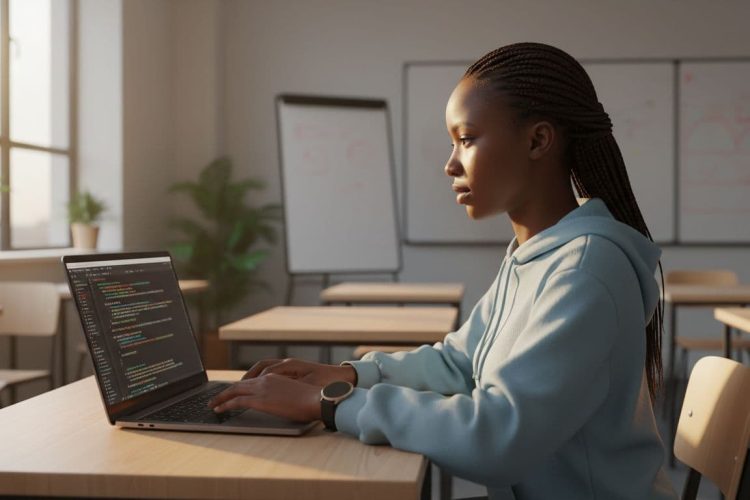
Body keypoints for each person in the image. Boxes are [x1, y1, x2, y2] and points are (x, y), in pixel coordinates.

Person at [208, 42, 676, 500]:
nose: (450, 163)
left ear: (538, 140)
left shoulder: (584, 269)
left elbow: (498, 439)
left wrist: (332, 404)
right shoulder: (535, 255)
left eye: (467, 139)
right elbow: (459, 362)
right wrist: (349, 374)